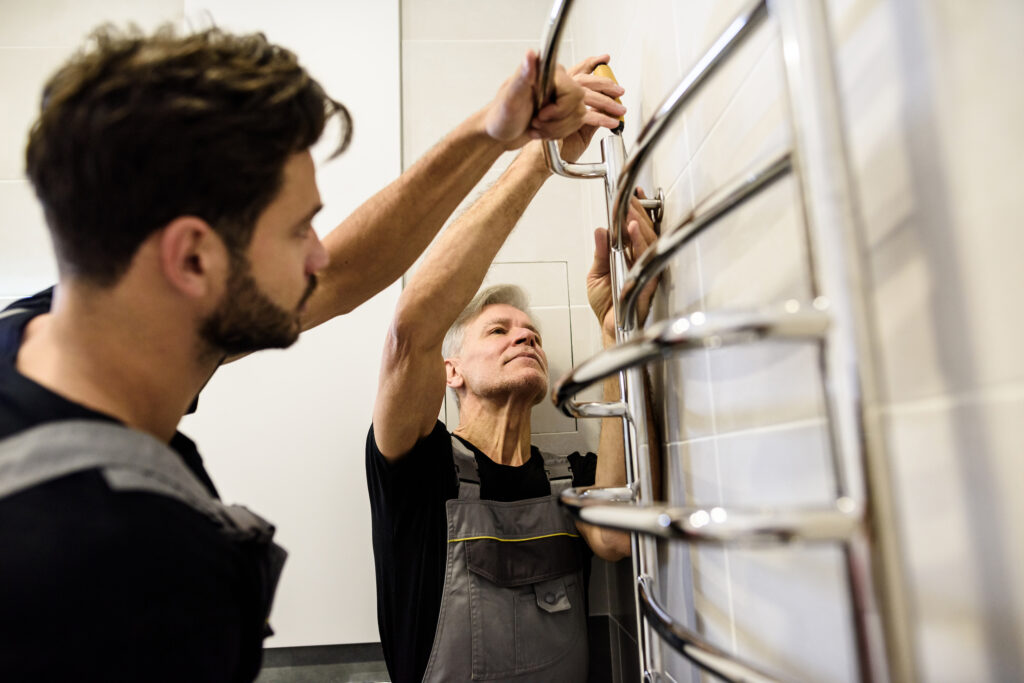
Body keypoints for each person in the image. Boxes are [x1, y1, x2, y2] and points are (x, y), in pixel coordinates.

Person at [0, 23, 605, 682]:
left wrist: (493, 136)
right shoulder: (124, 568)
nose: (318, 253)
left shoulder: (52, 323)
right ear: (193, 257)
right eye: (298, 230)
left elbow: (344, 273)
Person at [365, 58, 660, 680]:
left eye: (531, 333)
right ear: (451, 371)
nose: (523, 336)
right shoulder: (419, 468)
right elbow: (410, 330)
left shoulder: (570, 476)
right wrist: (542, 156)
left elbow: (613, 540)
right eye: (496, 331)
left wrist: (615, 330)